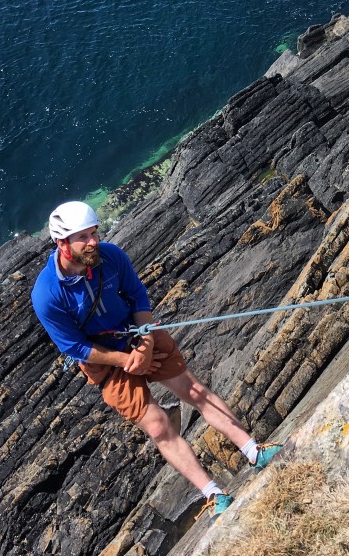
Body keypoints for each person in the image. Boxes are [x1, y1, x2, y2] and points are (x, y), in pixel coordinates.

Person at [31, 201, 281, 515]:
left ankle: (253, 451)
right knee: (159, 427)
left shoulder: (111, 256)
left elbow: (136, 295)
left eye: (94, 232)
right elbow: (74, 347)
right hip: (107, 362)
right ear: (61, 243)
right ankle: (214, 495)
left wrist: (146, 343)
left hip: (136, 333)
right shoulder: (47, 295)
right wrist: (126, 362)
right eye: (83, 237)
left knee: (194, 391)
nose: (93, 241)